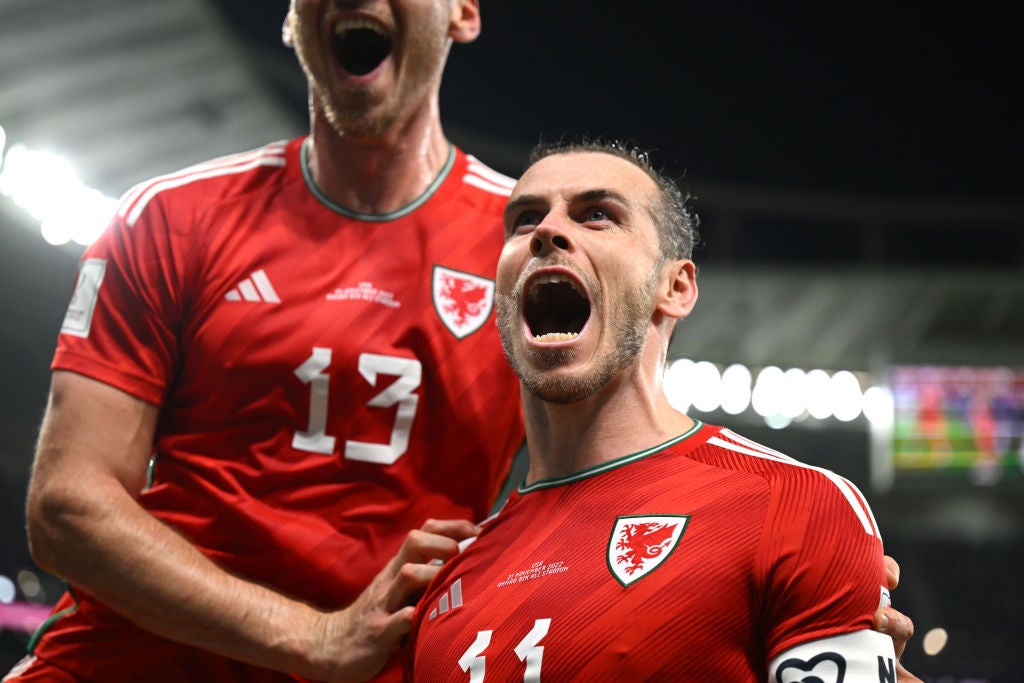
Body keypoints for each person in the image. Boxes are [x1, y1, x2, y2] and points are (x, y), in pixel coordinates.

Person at [5, 2, 917, 682]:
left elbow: (627, 457)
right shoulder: (173, 218)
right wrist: (311, 637)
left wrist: (793, 562)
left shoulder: (518, 244)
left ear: (463, 12)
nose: (555, 233)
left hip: (414, 657)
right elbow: (66, 508)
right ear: (291, 20)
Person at [408, 140, 923, 681]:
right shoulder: (450, 580)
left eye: (598, 215)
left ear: (674, 287)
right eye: (525, 219)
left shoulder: (796, 508)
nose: (546, 231)